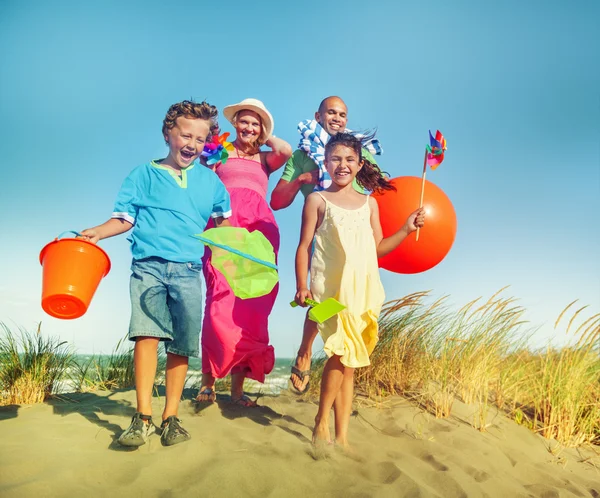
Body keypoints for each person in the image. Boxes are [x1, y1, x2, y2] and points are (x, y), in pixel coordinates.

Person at [79, 100, 232, 447]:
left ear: (207, 142)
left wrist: (232, 245)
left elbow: (224, 223)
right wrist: (99, 232)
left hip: (190, 270)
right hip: (148, 267)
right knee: (146, 337)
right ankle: (143, 416)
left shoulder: (210, 182)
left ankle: (171, 417)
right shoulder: (141, 175)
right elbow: (124, 218)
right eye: (185, 135)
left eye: (200, 137)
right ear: (168, 134)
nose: (191, 143)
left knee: (181, 345)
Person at [294, 132, 424, 448]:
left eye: (350, 159)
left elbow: (377, 248)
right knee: (340, 354)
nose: (343, 165)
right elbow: (304, 246)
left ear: (359, 163)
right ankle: (320, 422)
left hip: (363, 291)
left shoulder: (370, 204)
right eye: (336, 159)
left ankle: (343, 437)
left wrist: (406, 230)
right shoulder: (317, 200)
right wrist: (302, 284)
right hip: (329, 291)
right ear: (326, 162)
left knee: (350, 364)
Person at [270, 96, 384, 394]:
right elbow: (277, 201)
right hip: (323, 235)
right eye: (331, 112)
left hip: (356, 242)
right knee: (322, 302)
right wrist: (303, 179)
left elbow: (376, 191)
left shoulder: (357, 154)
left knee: (350, 305)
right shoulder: (302, 154)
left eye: (343, 114)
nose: (337, 117)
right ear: (317, 116)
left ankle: (341, 373)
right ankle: (306, 351)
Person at [196, 98, 292, 407]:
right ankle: (208, 382)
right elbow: (203, 167)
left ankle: (237, 392)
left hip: (259, 233)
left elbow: (286, 152)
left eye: (256, 123)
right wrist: (214, 140)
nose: (249, 127)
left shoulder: (265, 160)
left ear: (262, 129)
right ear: (235, 124)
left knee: (249, 309)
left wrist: (264, 137)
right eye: (244, 121)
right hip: (224, 227)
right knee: (218, 303)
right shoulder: (220, 152)